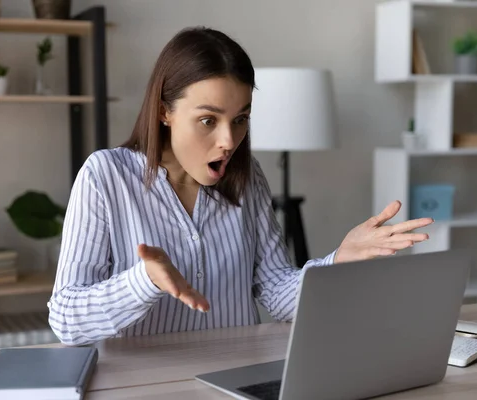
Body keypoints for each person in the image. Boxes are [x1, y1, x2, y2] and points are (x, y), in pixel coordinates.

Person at [47, 27, 432, 346]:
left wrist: (339, 260)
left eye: (240, 119)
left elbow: (279, 293)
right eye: (207, 120)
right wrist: (143, 281)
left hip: (237, 381)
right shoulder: (105, 177)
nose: (229, 141)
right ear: (165, 111)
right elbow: (65, 321)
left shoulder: (247, 178)